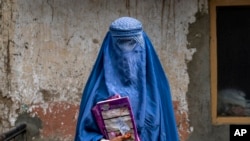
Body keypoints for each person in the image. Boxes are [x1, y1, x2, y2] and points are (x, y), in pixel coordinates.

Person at [74, 17, 179, 141]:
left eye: (132, 44)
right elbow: (84, 134)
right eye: (120, 44)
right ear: (110, 47)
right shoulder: (96, 89)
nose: (126, 51)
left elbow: (166, 132)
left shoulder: (157, 89)